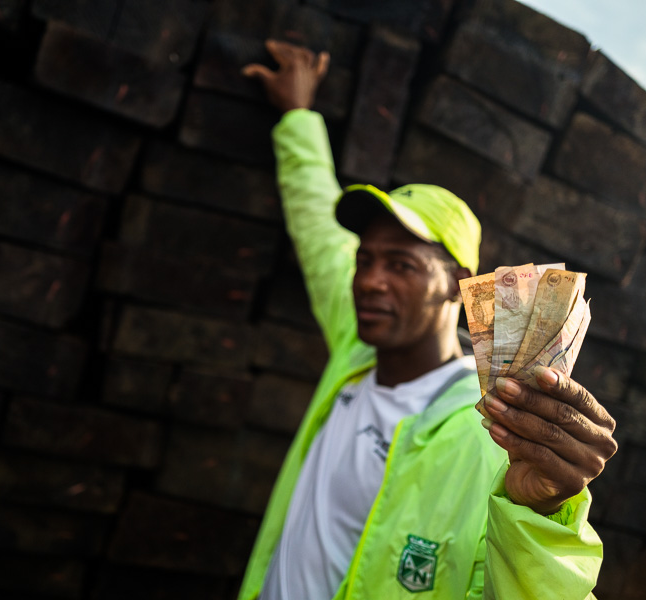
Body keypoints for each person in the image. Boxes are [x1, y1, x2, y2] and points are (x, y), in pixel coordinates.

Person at [237, 40, 618, 600]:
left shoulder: (488, 428)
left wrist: (544, 514)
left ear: (458, 282)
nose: (370, 279)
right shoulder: (357, 346)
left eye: (402, 265)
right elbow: (317, 219)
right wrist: (298, 116)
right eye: (364, 259)